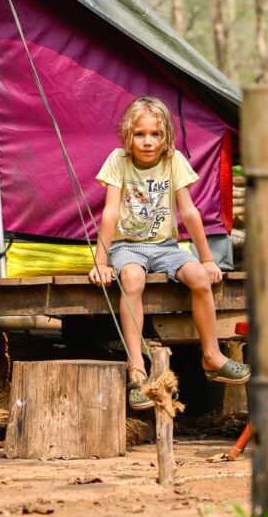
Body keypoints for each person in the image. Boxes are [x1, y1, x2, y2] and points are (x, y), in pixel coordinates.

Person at [88, 96, 250, 410]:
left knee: (200, 278)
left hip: (165, 247)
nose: (147, 142)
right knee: (133, 278)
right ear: (127, 136)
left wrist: (206, 258)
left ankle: (212, 355)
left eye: (155, 134)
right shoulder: (118, 160)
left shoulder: (173, 161)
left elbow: (189, 213)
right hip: (126, 247)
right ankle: (137, 368)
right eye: (140, 134)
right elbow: (109, 214)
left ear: (166, 138)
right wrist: (101, 261)